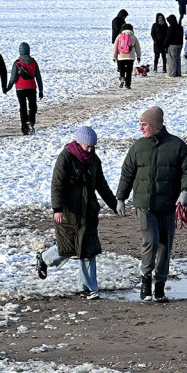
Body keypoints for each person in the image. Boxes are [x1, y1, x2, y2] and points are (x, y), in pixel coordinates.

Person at [116, 106, 187, 302]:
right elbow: (127, 173)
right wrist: (120, 198)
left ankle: (160, 286)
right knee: (150, 241)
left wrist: (185, 192)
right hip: (144, 204)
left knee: (164, 245)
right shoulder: (137, 147)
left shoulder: (177, 146)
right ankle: (146, 282)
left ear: (154, 125)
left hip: (168, 204)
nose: (140, 128)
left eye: (143, 124)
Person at [37, 126, 118, 299]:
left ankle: (88, 288)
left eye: (92, 146)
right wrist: (57, 209)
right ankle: (44, 258)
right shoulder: (66, 157)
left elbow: (101, 184)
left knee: (89, 249)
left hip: (88, 211)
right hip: (69, 212)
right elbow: (57, 184)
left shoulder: (94, 160)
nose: (90, 149)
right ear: (78, 143)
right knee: (69, 248)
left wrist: (114, 204)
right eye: (87, 146)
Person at [4, 42, 44, 134]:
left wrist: (8, 88)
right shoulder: (33, 62)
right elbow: (38, 77)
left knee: (23, 107)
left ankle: (24, 127)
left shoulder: (17, 63)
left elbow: (13, 78)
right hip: (31, 87)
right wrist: (41, 90)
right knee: (32, 106)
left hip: (20, 88)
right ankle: (31, 122)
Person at [112, 23, 142, 88]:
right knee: (129, 71)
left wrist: (114, 56)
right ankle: (128, 84)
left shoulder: (119, 36)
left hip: (121, 57)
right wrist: (138, 56)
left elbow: (115, 47)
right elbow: (138, 48)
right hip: (130, 57)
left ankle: (122, 80)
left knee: (121, 70)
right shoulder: (133, 37)